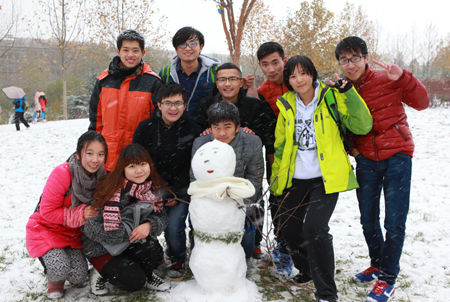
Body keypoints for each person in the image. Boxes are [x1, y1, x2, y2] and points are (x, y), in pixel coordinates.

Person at [334, 36, 430, 302]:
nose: (350, 64)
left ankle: (388, 278)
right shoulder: (341, 89)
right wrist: (352, 148)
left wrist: (403, 78)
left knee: (394, 222)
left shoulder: (387, 78)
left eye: (354, 58)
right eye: (344, 60)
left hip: (398, 155)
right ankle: (377, 263)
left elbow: (423, 103)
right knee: (367, 218)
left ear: (366, 57)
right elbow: (340, 123)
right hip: (366, 159)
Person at [270, 55, 372, 302]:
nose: (298, 79)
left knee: (315, 229)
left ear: (312, 74)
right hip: (296, 178)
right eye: (292, 76)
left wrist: (348, 93)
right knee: (289, 228)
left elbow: (362, 125)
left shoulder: (331, 97)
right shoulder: (286, 104)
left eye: (303, 73)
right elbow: (281, 145)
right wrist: (276, 180)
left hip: (325, 178)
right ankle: (306, 269)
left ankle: (326, 293)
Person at [26, 131, 107, 300]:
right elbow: (46, 212)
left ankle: (65, 268)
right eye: (89, 153)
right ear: (78, 154)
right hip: (48, 228)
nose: (95, 160)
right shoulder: (63, 173)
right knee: (59, 268)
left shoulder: (101, 175)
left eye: (100, 154)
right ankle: (54, 281)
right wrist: (80, 213)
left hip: (72, 233)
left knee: (79, 276)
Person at [133, 82, 201, 279]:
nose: (173, 108)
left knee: (174, 226)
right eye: (168, 103)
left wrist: (177, 192)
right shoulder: (146, 128)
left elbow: (194, 164)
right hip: (151, 187)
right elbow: (138, 160)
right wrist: (159, 189)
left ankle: (178, 258)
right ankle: (152, 257)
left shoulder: (194, 128)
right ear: (158, 104)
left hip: (183, 189)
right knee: (145, 223)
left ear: (185, 105)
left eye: (178, 103)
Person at [82, 144, 170, 294]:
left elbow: (161, 217)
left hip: (128, 244)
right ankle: (99, 272)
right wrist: (129, 232)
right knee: (134, 282)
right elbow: (90, 228)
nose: (139, 171)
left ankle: (148, 275)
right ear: (122, 168)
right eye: (132, 166)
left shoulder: (150, 188)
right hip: (102, 248)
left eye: (143, 164)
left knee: (152, 250)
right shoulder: (109, 189)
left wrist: (149, 224)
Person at [190, 101, 265, 275]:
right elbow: (195, 177)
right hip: (209, 197)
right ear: (210, 127)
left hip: (240, 196)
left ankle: (245, 257)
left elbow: (255, 178)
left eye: (227, 127)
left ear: (238, 126)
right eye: (216, 127)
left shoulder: (252, 142)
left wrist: (239, 202)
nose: (222, 133)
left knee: (247, 224)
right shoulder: (201, 143)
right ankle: (202, 259)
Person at [89, 29, 163, 172]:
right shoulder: (104, 81)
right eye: (126, 50)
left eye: (135, 50)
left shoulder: (153, 82)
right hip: (108, 156)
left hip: (139, 159)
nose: (130, 55)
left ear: (143, 53)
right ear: (118, 51)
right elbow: (95, 120)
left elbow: (158, 122)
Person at [159, 26, 254, 117]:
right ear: (176, 49)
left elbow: (230, 98)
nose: (187, 48)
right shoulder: (166, 73)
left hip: (207, 127)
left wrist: (242, 89)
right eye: (182, 44)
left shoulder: (215, 72)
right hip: (175, 126)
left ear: (201, 47)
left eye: (192, 44)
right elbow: (158, 102)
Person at [256, 41, 291, 266]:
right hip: (277, 152)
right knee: (277, 199)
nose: (271, 69)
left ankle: (300, 246)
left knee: (300, 200)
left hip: (304, 151)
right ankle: (282, 246)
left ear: (284, 61)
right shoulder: (263, 91)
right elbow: (268, 126)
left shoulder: (299, 80)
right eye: (265, 64)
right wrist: (271, 153)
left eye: (275, 62)